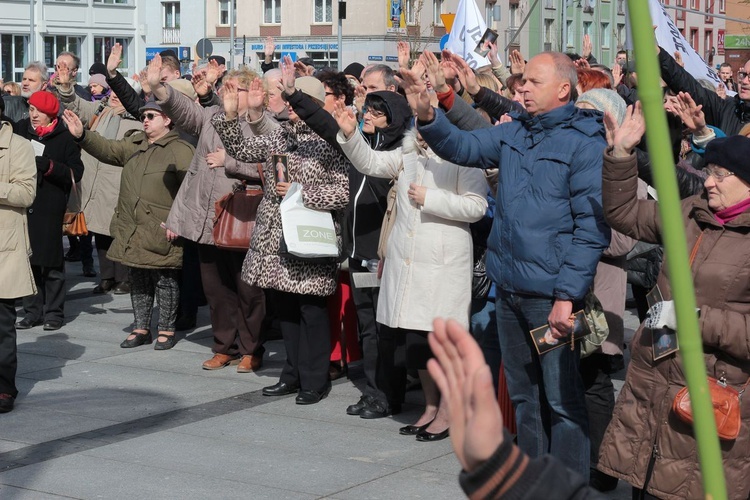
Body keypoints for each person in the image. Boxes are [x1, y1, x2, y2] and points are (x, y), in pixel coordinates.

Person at [406, 52, 611, 477]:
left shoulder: (585, 142)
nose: (521, 89)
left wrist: (566, 298)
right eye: (522, 83)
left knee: (561, 400)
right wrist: (427, 114)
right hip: (510, 292)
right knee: (524, 398)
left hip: (550, 298)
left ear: (563, 89)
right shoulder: (516, 132)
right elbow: (462, 147)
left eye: (533, 82)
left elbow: (591, 230)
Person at [598, 103, 750, 500]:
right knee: (644, 485)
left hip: (708, 394)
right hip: (654, 379)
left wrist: (695, 318)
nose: (709, 182)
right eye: (708, 172)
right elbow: (623, 212)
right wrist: (622, 154)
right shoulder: (690, 212)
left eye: (721, 175)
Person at [334, 79, 488, 439]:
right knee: (417, 347)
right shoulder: (409, 153)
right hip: (408, 263)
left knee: (442, 347)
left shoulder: (465, 156)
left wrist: (430, 199)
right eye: (417, 124)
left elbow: (476, 206)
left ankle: (450, 412)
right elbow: (371, 162)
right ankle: (430, 408)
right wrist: (350, 134)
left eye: (425, 121)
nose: (419, 130)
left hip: (442, 264)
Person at [212, 73, 349, 405]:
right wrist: (232, 115)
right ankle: (292, 375)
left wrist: (303, 193)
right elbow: (242, 148)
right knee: (286, 309)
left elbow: (343, 191)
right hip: (277, 237)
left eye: (299, 103)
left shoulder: (334, 142)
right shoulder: (283, 136)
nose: (292, 109)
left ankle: (315, 380)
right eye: (291, 103)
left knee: (311, 310)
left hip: (311, 236)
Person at [148, 55, 267, 372]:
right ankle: (223, 346)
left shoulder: (260, 122)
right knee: (216, 290)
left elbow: (267, 167)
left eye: (235, 88)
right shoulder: (212, 115)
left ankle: (251, 349)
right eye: (226, 86)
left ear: (251, 92)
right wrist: (159, 86)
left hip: (243, 219)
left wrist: (230, 163)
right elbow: (184, 111)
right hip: (207, 218)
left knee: (248, 290)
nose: (228, 92)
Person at [62, 102, 193, 350]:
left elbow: (190, 191)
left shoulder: (180, 150)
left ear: (167, 120)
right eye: (143, 115)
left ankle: (166, 329)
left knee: (165, 280)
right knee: (139, 279)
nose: (145, 120)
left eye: (151, 116)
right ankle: (141, 328)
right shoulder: (135, 144)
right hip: (132, 226)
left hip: (162, 227)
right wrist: (82, 134)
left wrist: (179, 220)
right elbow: (108, 149)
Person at [427, 318, 603, 500]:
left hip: (552, 303)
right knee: (526, 402)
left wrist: (565, 296)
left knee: (562, 405)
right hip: (510, 297)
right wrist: (497, 465)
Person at [52, 57, 141, 296]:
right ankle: (107, 277)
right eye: (112, 92)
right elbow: (76, 107)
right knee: (99, 231)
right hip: (95, 181)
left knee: (118, 231)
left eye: (119, 93)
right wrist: (66, 87)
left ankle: (125, 278)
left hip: (117, 182)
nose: (113, 95)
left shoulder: (139, 122)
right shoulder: (102, 110)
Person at [13, 91, 84, 332]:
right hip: (24, 204)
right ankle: (32, 311)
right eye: (32, 109)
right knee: (28, 262)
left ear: (51, 114)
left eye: (39, 112)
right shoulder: (21, 130)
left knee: (52, 264)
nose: (33, 115)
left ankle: (54, 312)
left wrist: (51, 167)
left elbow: (77, 171)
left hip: (50, 206)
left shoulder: (63, 136)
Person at [0, 117, 37, 413]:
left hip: (5, 248)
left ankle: (4, 388)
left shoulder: (19, 146)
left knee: (2, 324)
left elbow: (26, 193)